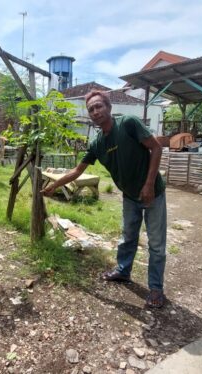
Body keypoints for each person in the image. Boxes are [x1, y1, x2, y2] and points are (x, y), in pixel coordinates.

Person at [41, 90, 167, 308]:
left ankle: (156, 289)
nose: (95, 111)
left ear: (109, 107)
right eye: (91, 109)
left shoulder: (128, 123)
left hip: (152, 192)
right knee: (128, 237)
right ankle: (123, 271)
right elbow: (76, 171)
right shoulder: (97, 144)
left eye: (99, 106)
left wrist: (148, 184)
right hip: (129, 196)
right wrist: (53, 185)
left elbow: (156, 147)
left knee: (156, 244)